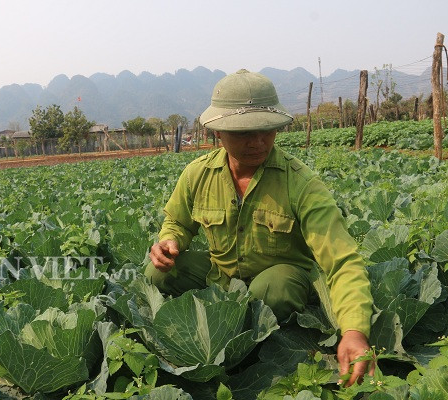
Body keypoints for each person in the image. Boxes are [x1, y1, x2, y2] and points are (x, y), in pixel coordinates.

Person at [145, 69, 374, 386]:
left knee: (271, 290)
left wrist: (354, 330)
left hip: (283, 279)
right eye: (244, 133)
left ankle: (244, 345)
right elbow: (177, 222)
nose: (258, 141)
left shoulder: (300, 182)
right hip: (222, 278)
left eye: (267, 130)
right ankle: (222, 321)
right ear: (219, 134)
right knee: (157, 272)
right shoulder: (197, 174)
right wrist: (169, 241)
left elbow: (342, 259)